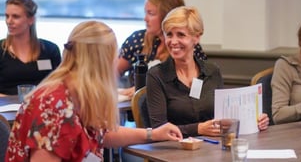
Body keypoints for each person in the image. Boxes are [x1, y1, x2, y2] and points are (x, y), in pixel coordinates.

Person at [5, 21, 182, 161]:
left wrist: (152, 134)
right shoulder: (52, 105)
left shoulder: (76, 94)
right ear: (101, 62)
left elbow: (101, 133)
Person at [146, 6, 269, 137]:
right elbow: (159, 129)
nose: (173, 41)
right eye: (169, 34)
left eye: (181, 35)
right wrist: (198, 129)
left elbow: (224, 116)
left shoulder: (212, 71)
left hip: (211, 146)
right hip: (174, 150)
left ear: (196, 37)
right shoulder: (156, 76)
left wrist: (255, 120)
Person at [117, 0, 207, 98]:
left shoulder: (189, 47)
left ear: (168, 17)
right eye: (145, 13)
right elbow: (115, 71)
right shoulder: (138, 39)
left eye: (151, 13)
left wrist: (145, 89)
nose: (145, 19)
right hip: (132, 107)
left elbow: (195, 91)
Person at [0, 0, 61, 96]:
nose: (9, 21)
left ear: (31, 20)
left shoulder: (50, 50)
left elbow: (59, 85)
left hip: (41, 108)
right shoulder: (1, 50)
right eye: (7, 16)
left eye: (15, 16)